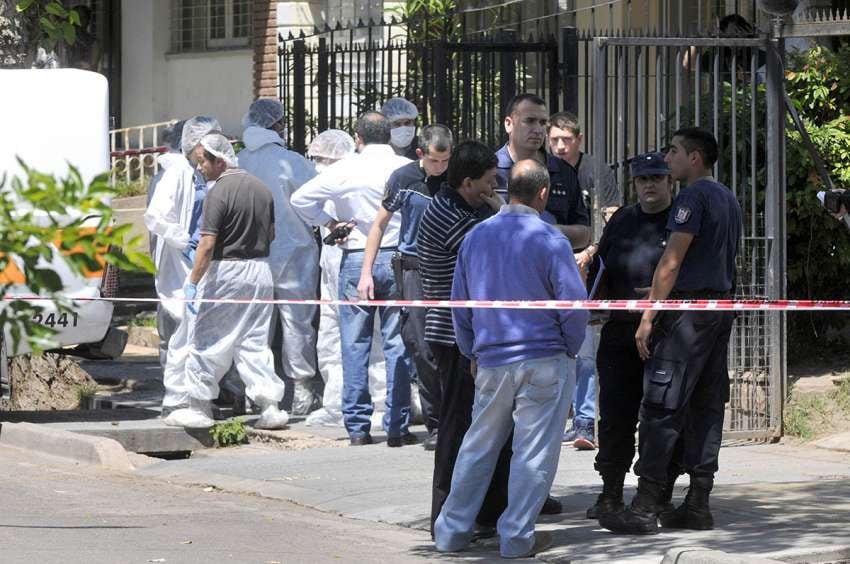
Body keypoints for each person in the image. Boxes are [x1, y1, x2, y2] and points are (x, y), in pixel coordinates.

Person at [433, 159, 588, 559]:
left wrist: (470, 349)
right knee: (533, 452)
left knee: (478, 446)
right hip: (545, 358)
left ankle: (450, 532)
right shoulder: (551, 240)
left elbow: (459, 305)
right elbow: (573, 306)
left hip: (490, 359)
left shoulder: (476, 237)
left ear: (508, 189)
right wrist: (570, 347)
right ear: (543, 193)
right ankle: (517, 537)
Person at [600, 128, 742, 534]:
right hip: (716, 310)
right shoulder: (727, 197)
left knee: (662, 406)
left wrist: (649, 314)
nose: (669, 157)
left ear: (694, 158)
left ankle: (645, 506)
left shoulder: (692, 197)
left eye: (675, 151)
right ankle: (698, 503)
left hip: (686, 319)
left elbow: (671, 261)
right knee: (706, 406)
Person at [291, 111, 414, 447]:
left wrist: (330, 223)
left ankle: (358, 426)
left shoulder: (346, 168)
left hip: (356, 256)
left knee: (354, 342)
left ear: (357, 138)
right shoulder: (403, 168)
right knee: (396, 343)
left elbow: (299, 199)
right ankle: (397, 423)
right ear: (389, 136)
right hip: (396, 257)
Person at [164, 133, 289, 430]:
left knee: (207, 339)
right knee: (254, 341)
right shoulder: (262, 189)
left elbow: (207, 244)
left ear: (219, 160)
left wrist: (192, 281)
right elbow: (270, 235)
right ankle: (270, 406)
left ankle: (196, 405)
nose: (199, 168)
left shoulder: (218, 192)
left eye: (202, 162)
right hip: (259, 271)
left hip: (225, 272)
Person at [582, 152, 681, 521]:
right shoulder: (623, 219)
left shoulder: (680, 220)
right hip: (621, 328)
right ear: (635, 184)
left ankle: (658, 493)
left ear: (670, 181)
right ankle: (610, 493)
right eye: (643, 180)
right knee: (615, 415)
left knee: (662, 416)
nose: (650, 185)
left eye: (657, 178)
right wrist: (594, 305)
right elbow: (602, 264)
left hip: (664, 330)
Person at [416, 141, 507, 534]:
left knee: (483, 426)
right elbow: (500, 244)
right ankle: (446, 514)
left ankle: (485, 510)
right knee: (457, 427)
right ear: (468, 183)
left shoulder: (457, 208)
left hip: (466, 332)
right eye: (489, 183)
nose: (493, 190)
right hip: (454, 336)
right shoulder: (454, 217)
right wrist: (502, 209)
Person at [357, 124, 453, 450]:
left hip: (452, 269)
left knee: (453, 347)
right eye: (434, 162)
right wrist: (366, 273)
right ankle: (436, 423)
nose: (440, 169)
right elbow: (379, 225)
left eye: (445, 161)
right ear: (420, 155)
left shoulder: (458, 179)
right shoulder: (404, 179)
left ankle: (457, 420)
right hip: (414, 270)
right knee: (421, 348)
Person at [238, 99, 321, 416]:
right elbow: (317, 201)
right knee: (297, 323)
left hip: (250, 255)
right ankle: (302, 390)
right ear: (276, 126)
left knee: (254, 327)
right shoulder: (291, 162)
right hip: (293, 253)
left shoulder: (239, 161)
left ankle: (255, 393)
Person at [302, 130, 389, 428]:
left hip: (354, 257)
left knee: (369, 335)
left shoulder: (350, 174)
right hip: (333, 260)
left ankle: (378, 401)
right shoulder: (329, 181)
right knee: (330, 332)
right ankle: (336, 400)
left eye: (323, 159)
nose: (318, 164)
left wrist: (332, 224)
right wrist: (329, 223)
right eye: (316, 159)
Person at [548, 111, 621, 451]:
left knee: (587, 347)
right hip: (551, 267)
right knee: (559, 345)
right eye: (555, 140)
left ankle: (585, 421)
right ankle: (562, 415)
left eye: (566, 140)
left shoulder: (596, 170)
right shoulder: (545, 169)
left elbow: (611, 216)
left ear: (578, 139)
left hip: (590, 266)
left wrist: (591, 251)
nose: (560, 146)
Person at [145, 116, 219, 413]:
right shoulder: (176, 173)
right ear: (194, 144)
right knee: (185, 331)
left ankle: (189, 397)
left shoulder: (198, 172)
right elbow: (156, 217)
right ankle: (179, 398)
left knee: (194, 330)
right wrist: (184, 241)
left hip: (196, 257)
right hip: (181, 259)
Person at [494, 93, 590, 250]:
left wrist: (542, 230)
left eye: (543, 123)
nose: (538, 129)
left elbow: (584, 234)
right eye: (530, 121)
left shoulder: (563, 171)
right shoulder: (491, 171)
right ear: (508, 124)